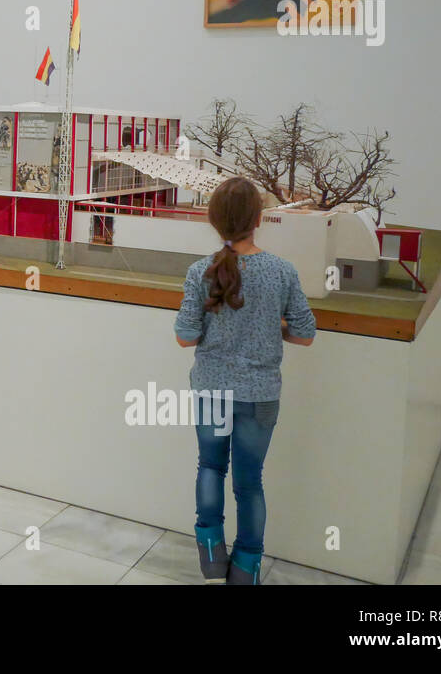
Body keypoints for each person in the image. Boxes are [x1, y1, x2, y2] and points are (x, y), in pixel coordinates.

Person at [173, 176, 316, 585]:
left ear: (214, 221)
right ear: (258, 219)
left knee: (210, 467)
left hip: (211, 391)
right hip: (260, 396)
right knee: (250, 482)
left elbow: (185, 337)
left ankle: (212, 557)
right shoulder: (282, 272)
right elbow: (306, 333)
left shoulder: (201, 271)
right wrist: (275, 327)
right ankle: (247, 569)